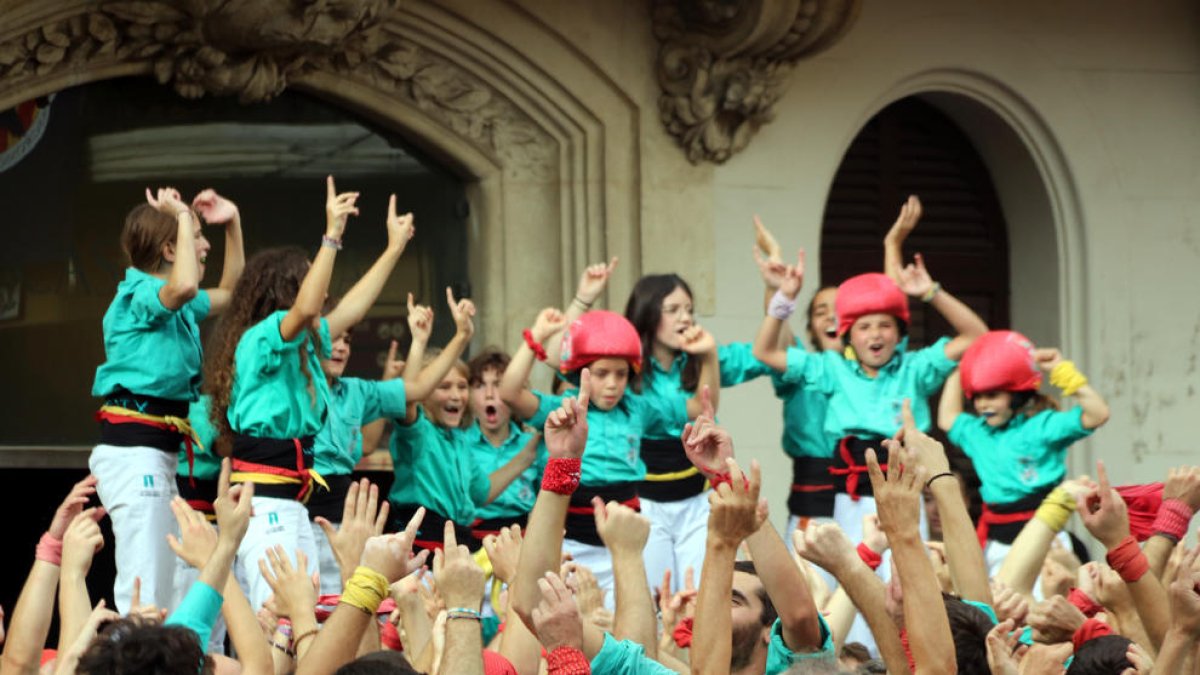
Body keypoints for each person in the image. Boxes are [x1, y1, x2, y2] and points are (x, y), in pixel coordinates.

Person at [203, 178, 411, 610]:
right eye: (307, 284)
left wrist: (393, 248)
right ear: (286, 293)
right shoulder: (261, 339)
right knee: (277, 618)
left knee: (306, 619)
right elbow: (309, 309)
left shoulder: (302, 347)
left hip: (291, 500)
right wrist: (332, 235)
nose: (319, 296)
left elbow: (350, 309)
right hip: (264, 499)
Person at [751, 199, 987, 541]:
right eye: (864, 327)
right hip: (848, 499)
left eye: (884, 325)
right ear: (848, 335)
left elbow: (976, 335)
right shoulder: (832, 368)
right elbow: (765, 350)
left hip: (906, 493)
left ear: (901, 333)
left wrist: (931, 292)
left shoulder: (914, 367)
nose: (875, 334)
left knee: (908, 587)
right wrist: (784, 297)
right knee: (853, 581)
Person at [91, 187, 244, 613]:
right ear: (170, 248)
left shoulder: (179, 302)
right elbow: (184, 286)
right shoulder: (137, 294)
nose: (205, 244)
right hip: (134, 454)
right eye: (197, 236)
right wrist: (180, 212)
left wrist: (232, 224)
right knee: (144, 586)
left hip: (158, 454)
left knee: (166, 586)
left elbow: (231, 292)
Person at [500, 307, 715, 595]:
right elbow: (510, 393)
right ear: (579, 374)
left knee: (633, 624)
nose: (613, 383)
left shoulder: (637, 408)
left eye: (621, 373)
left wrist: (709, 355)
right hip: (571, 543)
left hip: (624, 546)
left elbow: (700, 407)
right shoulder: (562, 407)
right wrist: (535, 338)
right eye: (601, 373)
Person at [623, 271, 771, 592]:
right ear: (648, 313)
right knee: (653, 596)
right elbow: (701, 408)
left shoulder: (702, 355)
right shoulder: (625, 368)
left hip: (697, 499)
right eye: (673, 309)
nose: (685, 317)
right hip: (645, 502)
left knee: (703, 593)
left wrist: (779, 301)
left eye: (689, 309)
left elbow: (765, 355)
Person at [938, 330, 1111, 573]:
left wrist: (1061, 370)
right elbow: (947, 418)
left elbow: (1098, 414)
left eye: (992, 395)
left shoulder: (1042, 426)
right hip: (997, 545)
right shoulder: (977, 433)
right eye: (977, 397)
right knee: (1002, 609)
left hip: (1047, 541)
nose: (983, 404)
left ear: (1018, 394)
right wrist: (963, 367)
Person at [385, 295, 539, 553]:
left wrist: (527, 455)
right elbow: (407, 396)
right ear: (424, 391)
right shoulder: (417, 431)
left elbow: (482, 492)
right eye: (444, 387)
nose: (456, 395)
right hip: (419, 545)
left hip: (456, 543)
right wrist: (422, 341)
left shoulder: (458, 440)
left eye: (462, 386)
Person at [463, 348, 546, 540]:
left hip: (524, 540)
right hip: (472, 542)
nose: (490, 394)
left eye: (499, 385)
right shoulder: (460, 444)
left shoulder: (532, 444)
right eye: (480, 385)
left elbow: (546, 498)